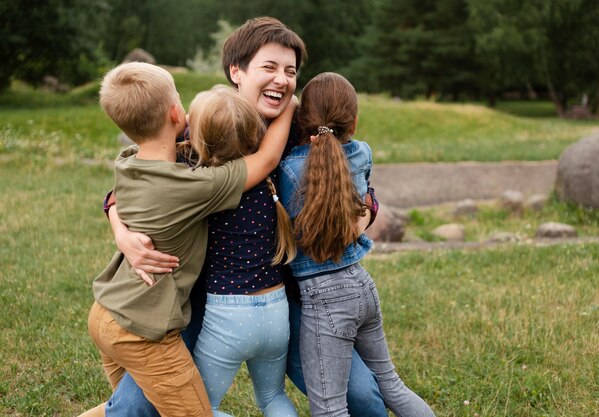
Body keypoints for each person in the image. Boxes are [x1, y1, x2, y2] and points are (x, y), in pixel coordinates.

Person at [101, 17, 389, 417]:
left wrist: (367, 211)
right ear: (236, 72)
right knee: (133, 409)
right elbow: (133, 185)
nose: (282, 80)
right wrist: (120, 230)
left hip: (287, 298)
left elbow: (359, 183)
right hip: (200, 297)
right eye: (269, 67)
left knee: (363, 397)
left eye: (290, 71)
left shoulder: (306, 131)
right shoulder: (202, 125)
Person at [84, 62, 295, 417]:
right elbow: (267, 158)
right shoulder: (195, 187)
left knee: (124, 411)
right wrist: (289, 102)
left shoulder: (129, 160)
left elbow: (114, 197)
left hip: (105, 312)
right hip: (144, 331)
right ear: (173, 113)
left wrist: (119, 229)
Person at [278, 72, 436, 417]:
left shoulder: (288, 170)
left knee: (329, 408)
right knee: (392, 385)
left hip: (324, 297)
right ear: (354, 121)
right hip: (362, 285)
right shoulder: (362, 153)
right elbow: (359, 195)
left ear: (301, 121)